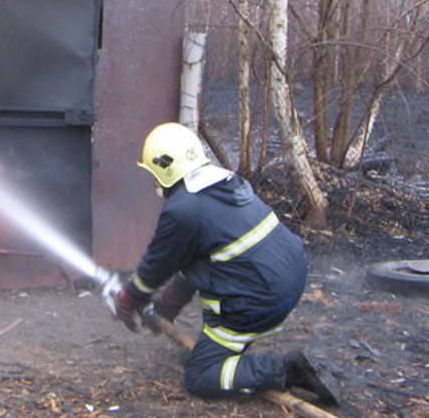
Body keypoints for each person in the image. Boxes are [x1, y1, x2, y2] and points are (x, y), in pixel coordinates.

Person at [114, 122, 338, 405]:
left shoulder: (183, 210)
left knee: (200, 374)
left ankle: (283, 369)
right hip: (292, 275)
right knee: (208, 264)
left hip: (260, 300)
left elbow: (155, 268)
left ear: (164, 169)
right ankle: (226, 348)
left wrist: (129, 297)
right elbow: (196, 260)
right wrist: (166, 308)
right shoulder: (225, 183)